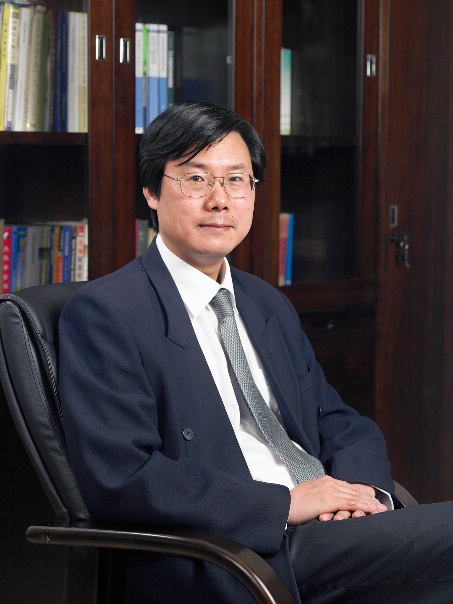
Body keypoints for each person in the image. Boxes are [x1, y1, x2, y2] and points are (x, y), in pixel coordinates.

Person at [59, 101, 453, 603]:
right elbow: (124, 475)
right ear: (151, 191)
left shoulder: (265, 302)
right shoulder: (108, 313)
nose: (219, 200)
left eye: (236, 180)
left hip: (330, 530)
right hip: (245, 551)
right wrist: (282, 505)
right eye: (196, 179)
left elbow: (338, 421)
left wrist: (362, 496)